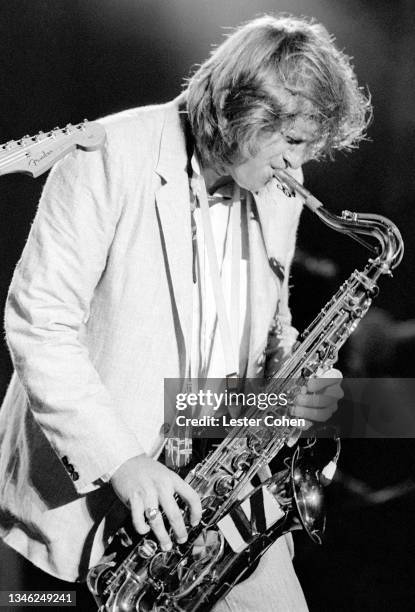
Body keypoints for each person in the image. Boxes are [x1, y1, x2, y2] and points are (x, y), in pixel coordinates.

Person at [0, 14, 370, 611]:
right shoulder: (109, 153)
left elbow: (267, 334)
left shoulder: (277, 193)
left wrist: (294, 380)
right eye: (293, 143)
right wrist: (121, 460)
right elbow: (39, 325)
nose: (298, 170)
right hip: (89, 498)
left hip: (213, 488)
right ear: (246, 110)